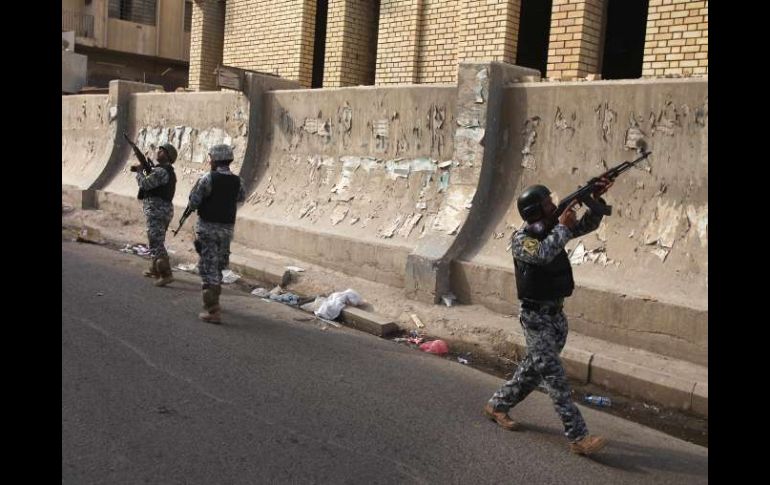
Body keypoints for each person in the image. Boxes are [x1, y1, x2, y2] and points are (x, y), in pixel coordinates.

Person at [483, 178, 612, 456]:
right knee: (555, 380)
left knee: (531, 372)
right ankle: (579, 437)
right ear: (534, 212)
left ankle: (497, 405)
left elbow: (587, 225)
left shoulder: (553, 229)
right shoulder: (522, 240)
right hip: (535, 319)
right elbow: (542, 254)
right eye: (547, 204)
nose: (554, 206)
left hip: (556, 316)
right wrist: (563, 227)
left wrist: (595, 200)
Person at [185, 144, 245, 323]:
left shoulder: (208, 178)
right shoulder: (238, 180)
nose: (209, 161)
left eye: (211, 158)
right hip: (227, 230)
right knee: (218, 265)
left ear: (216, 159)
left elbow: (194, 201)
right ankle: (215, 301)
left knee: (207, 267)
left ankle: (212, 310)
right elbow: (240, 197)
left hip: (208, 228)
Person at [131, 143, 178, 287]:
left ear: (168, 156)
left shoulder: (162, 171)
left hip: (158, 211)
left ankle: (166, 274)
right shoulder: (161, 170)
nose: (159, 152)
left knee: (155, 242)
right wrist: (145, 169)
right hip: (161, 210)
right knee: (156, 239)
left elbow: (145, 184)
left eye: (163, 151)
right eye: (159, 149)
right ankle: (155, 269)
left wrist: (140, 172)